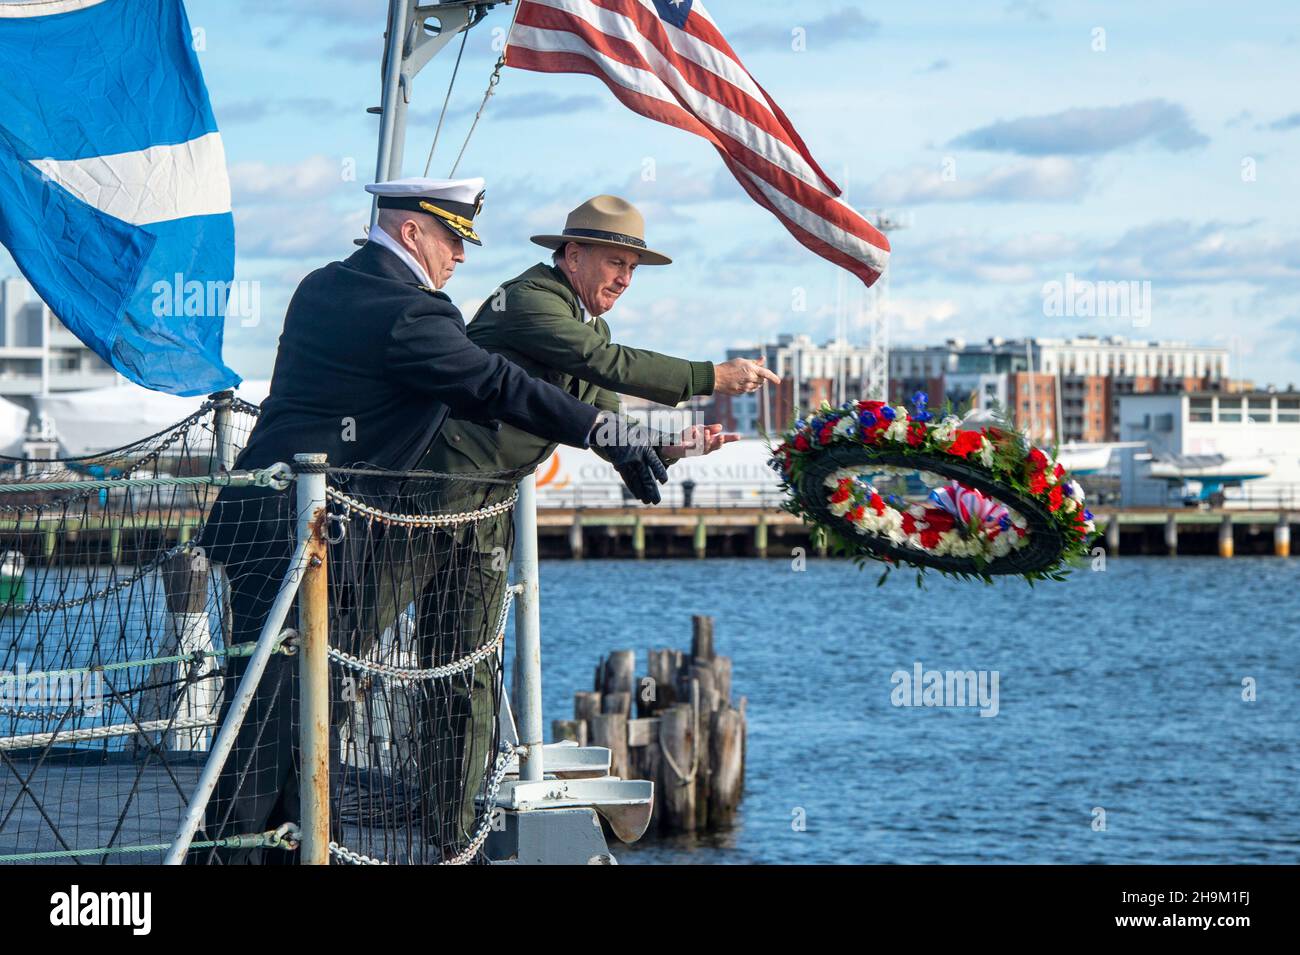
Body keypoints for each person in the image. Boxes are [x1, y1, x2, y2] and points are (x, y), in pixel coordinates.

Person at [192, 177, 667, 864]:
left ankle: (299, 847)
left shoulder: (323, 284)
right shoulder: (410, 312)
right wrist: (600, 428)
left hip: (279, 519)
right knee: (273, 711)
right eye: (452, 237)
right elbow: (493, 383)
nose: (461, 256)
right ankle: (225, 854)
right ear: (412, 232)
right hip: (295, 530)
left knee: (292, 698)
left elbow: (472, 395)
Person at [407, 195, 781, 852]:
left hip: (484, 506)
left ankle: (452, 822)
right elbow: (607, 368)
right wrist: (712, 375)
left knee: (464, 661)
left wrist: (676, 444)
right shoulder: (534, 302)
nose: (624, 279)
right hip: (431, 495)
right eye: (615, 262)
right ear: (571, 254)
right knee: (371, 640)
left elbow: (610, 425)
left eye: (633, 268)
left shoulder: (581, 322)